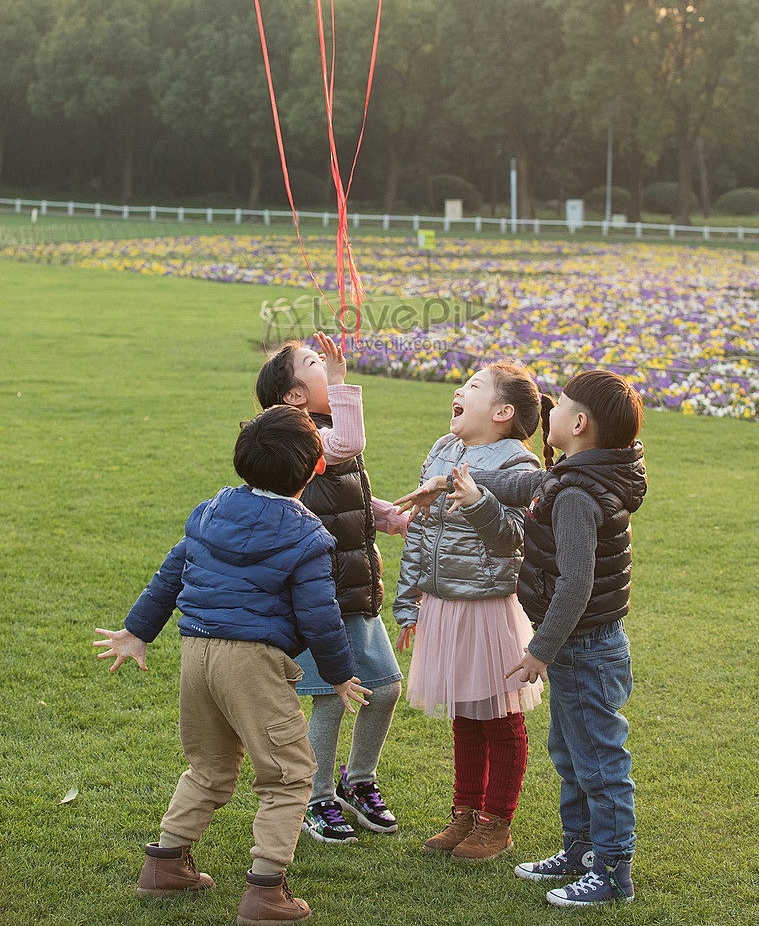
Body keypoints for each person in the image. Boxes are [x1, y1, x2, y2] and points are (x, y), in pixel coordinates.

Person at [93, 405, 370, 925]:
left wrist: (137, 630)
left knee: (210, 766)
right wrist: (338, 673)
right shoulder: (307, 536)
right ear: (315, 468)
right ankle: (266, 892)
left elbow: (170, 573)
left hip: (196, 654)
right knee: (289, 777)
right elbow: (320, 614)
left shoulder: (210, 510)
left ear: (241, 460)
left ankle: (165, 864)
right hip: (254, 663)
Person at [444, 369, 648, 907]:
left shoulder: (580, 494)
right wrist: (460, 483)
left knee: (599, 761)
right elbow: (523, 484)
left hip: (583, 648)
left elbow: (577, 586)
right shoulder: (571, 475)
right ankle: (581, 850)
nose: (548, 412)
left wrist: (540, 649)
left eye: (558, 407)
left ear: (578, 424)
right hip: (577, 647)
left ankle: (610, 871)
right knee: (571, 751)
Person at [391, 363, 550, 863]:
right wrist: (408, 599)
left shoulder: (518, 465)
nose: (459, 390)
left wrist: (479, 499)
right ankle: (464, 813)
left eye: (474, 387)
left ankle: (497, 824)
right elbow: (420, 529)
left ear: (503, 413)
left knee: (500, 716)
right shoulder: (443, 448)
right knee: (464, 711)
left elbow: (512, 540)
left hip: (488, 606)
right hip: (442, 601)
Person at [255, 332, 408, 844]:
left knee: (384, 688)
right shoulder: (299, 436)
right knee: (330, 697)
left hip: (357, 586)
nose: (329, 366)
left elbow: (342, 488)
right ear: (295, 397)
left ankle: (357, 781)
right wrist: (344, 384)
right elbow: (346, 446)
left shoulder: (320, 429)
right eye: (317, 363)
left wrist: (381, 513)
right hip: (319, 593)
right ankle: (315, 798)